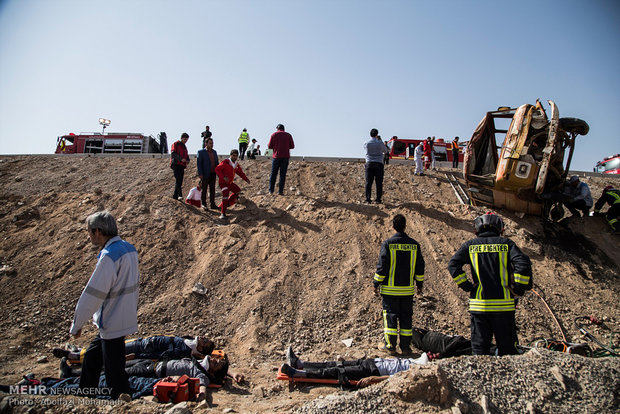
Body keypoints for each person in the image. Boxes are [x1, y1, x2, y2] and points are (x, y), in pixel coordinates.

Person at [69, 211, 139, 399]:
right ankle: (86, 395)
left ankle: (122, 402)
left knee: (114, 373)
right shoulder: (129, 249)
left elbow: (93, 294)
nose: (89, 236)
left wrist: (77, 324)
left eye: (90, 232)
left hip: (112, 320)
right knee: (92, 358)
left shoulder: (109, 256)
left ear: (98, 231)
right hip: (122, 316)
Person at [448, 212, 532, 356]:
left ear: (477, 230)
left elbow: (453, 265)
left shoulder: (470, 245)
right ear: (500, 229)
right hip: (503, 308)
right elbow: (523, 264)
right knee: (508, 352)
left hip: (480, 307)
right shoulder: (507, 244)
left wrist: (466, 286)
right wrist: (518, 288)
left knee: (480, 352)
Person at [60, 353, 244, 402]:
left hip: (151, 372)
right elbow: (221, 368)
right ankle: (73, 372)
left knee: (113, 374)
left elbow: (203, 386)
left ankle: (71, 378)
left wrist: (202, 395)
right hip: (152, 364)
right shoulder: (203, 362)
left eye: (216, 363)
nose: (214, 359)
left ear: (212, 371)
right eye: (216, 360)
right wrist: (232, 373)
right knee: (116, 366)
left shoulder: (202, 374)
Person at [373, 214, 425, 355]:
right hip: (407, 291)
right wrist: (419, 284)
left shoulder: (388, 244)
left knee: (390, 317)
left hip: (390, 291)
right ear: (405, 226)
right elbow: (420, 267)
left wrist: (376, 283)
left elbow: (382, 266)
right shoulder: (414, 245)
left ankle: (390, 346)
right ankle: (406, 347)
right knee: (406, 319)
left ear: (393, 226)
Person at [281, 346, 427, 388]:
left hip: (373, 371)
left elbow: (396, 379)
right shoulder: (417, 361)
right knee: (335, 364)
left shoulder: (418, 372)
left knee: (336, 372)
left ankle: (299, 373)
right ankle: (300, 364)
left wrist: (374, 379)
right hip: (373, 363)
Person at [54, 335, 216, 363]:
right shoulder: (188, 341)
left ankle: (75, 356)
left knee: (111, 351)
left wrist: (140, 355)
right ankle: (80, 352)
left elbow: (163, 355)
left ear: (202, 348)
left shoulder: (185, 350)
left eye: (205, 341)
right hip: (144, 342)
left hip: (143, 349)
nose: (203, 338)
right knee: (110, 346)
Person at [215, 149, 250, 219]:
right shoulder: (226, 162)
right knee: (225, 194)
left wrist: (246, 179)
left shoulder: (236, 164)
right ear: (230, 155)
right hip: (223, 183)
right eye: (233, 155)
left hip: (230, 183)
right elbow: (217, 169)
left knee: (238, 191)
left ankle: (225, 204)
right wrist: (223, 177)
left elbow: (240, 172)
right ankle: (223, 213)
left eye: (236, 156)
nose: (235, 157)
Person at [267, 124, 295, 195]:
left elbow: (269, 146)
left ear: (277, 128)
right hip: (285, 157)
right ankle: (280, 191)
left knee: (273, 174)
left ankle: (271, 191)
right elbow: (292, 146)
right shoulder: (288, 135)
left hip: (276, 156)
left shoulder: (274, 135)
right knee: (282, 175)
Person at [364, 128, 388, 204]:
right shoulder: (380, 143)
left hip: (369, 163)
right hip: (378, 163)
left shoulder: (366, 143)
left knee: (368, 183)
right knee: (379, 183)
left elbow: (365, 149)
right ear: (377, 134)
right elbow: (385, 151)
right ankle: (378, 199)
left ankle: (368, 199)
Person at [197, 137, 219, 210]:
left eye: (212, 143)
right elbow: (199, 164)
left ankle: (212, 204)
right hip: (205, 173)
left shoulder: (214, 152)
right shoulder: (201, 152)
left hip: (213, 173)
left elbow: (216, 163)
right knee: (204, 189)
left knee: (212, 189)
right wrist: (200, 173)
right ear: (206, 143)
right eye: (210, 143)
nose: (212, 145)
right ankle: (203, 204)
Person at [170, 133, 190, 201]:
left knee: (180, 180)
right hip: (176, 164)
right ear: (181, 138)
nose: (185, 141)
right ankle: (179, 195)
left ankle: (175, 196)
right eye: (184, 139)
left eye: (186, 140)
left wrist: (187, 160)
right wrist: (181, 159)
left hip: (182, 165)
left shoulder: (184, 147)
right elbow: (173, 153)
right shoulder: (176, 144)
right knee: (178, 179)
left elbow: (187, 156)